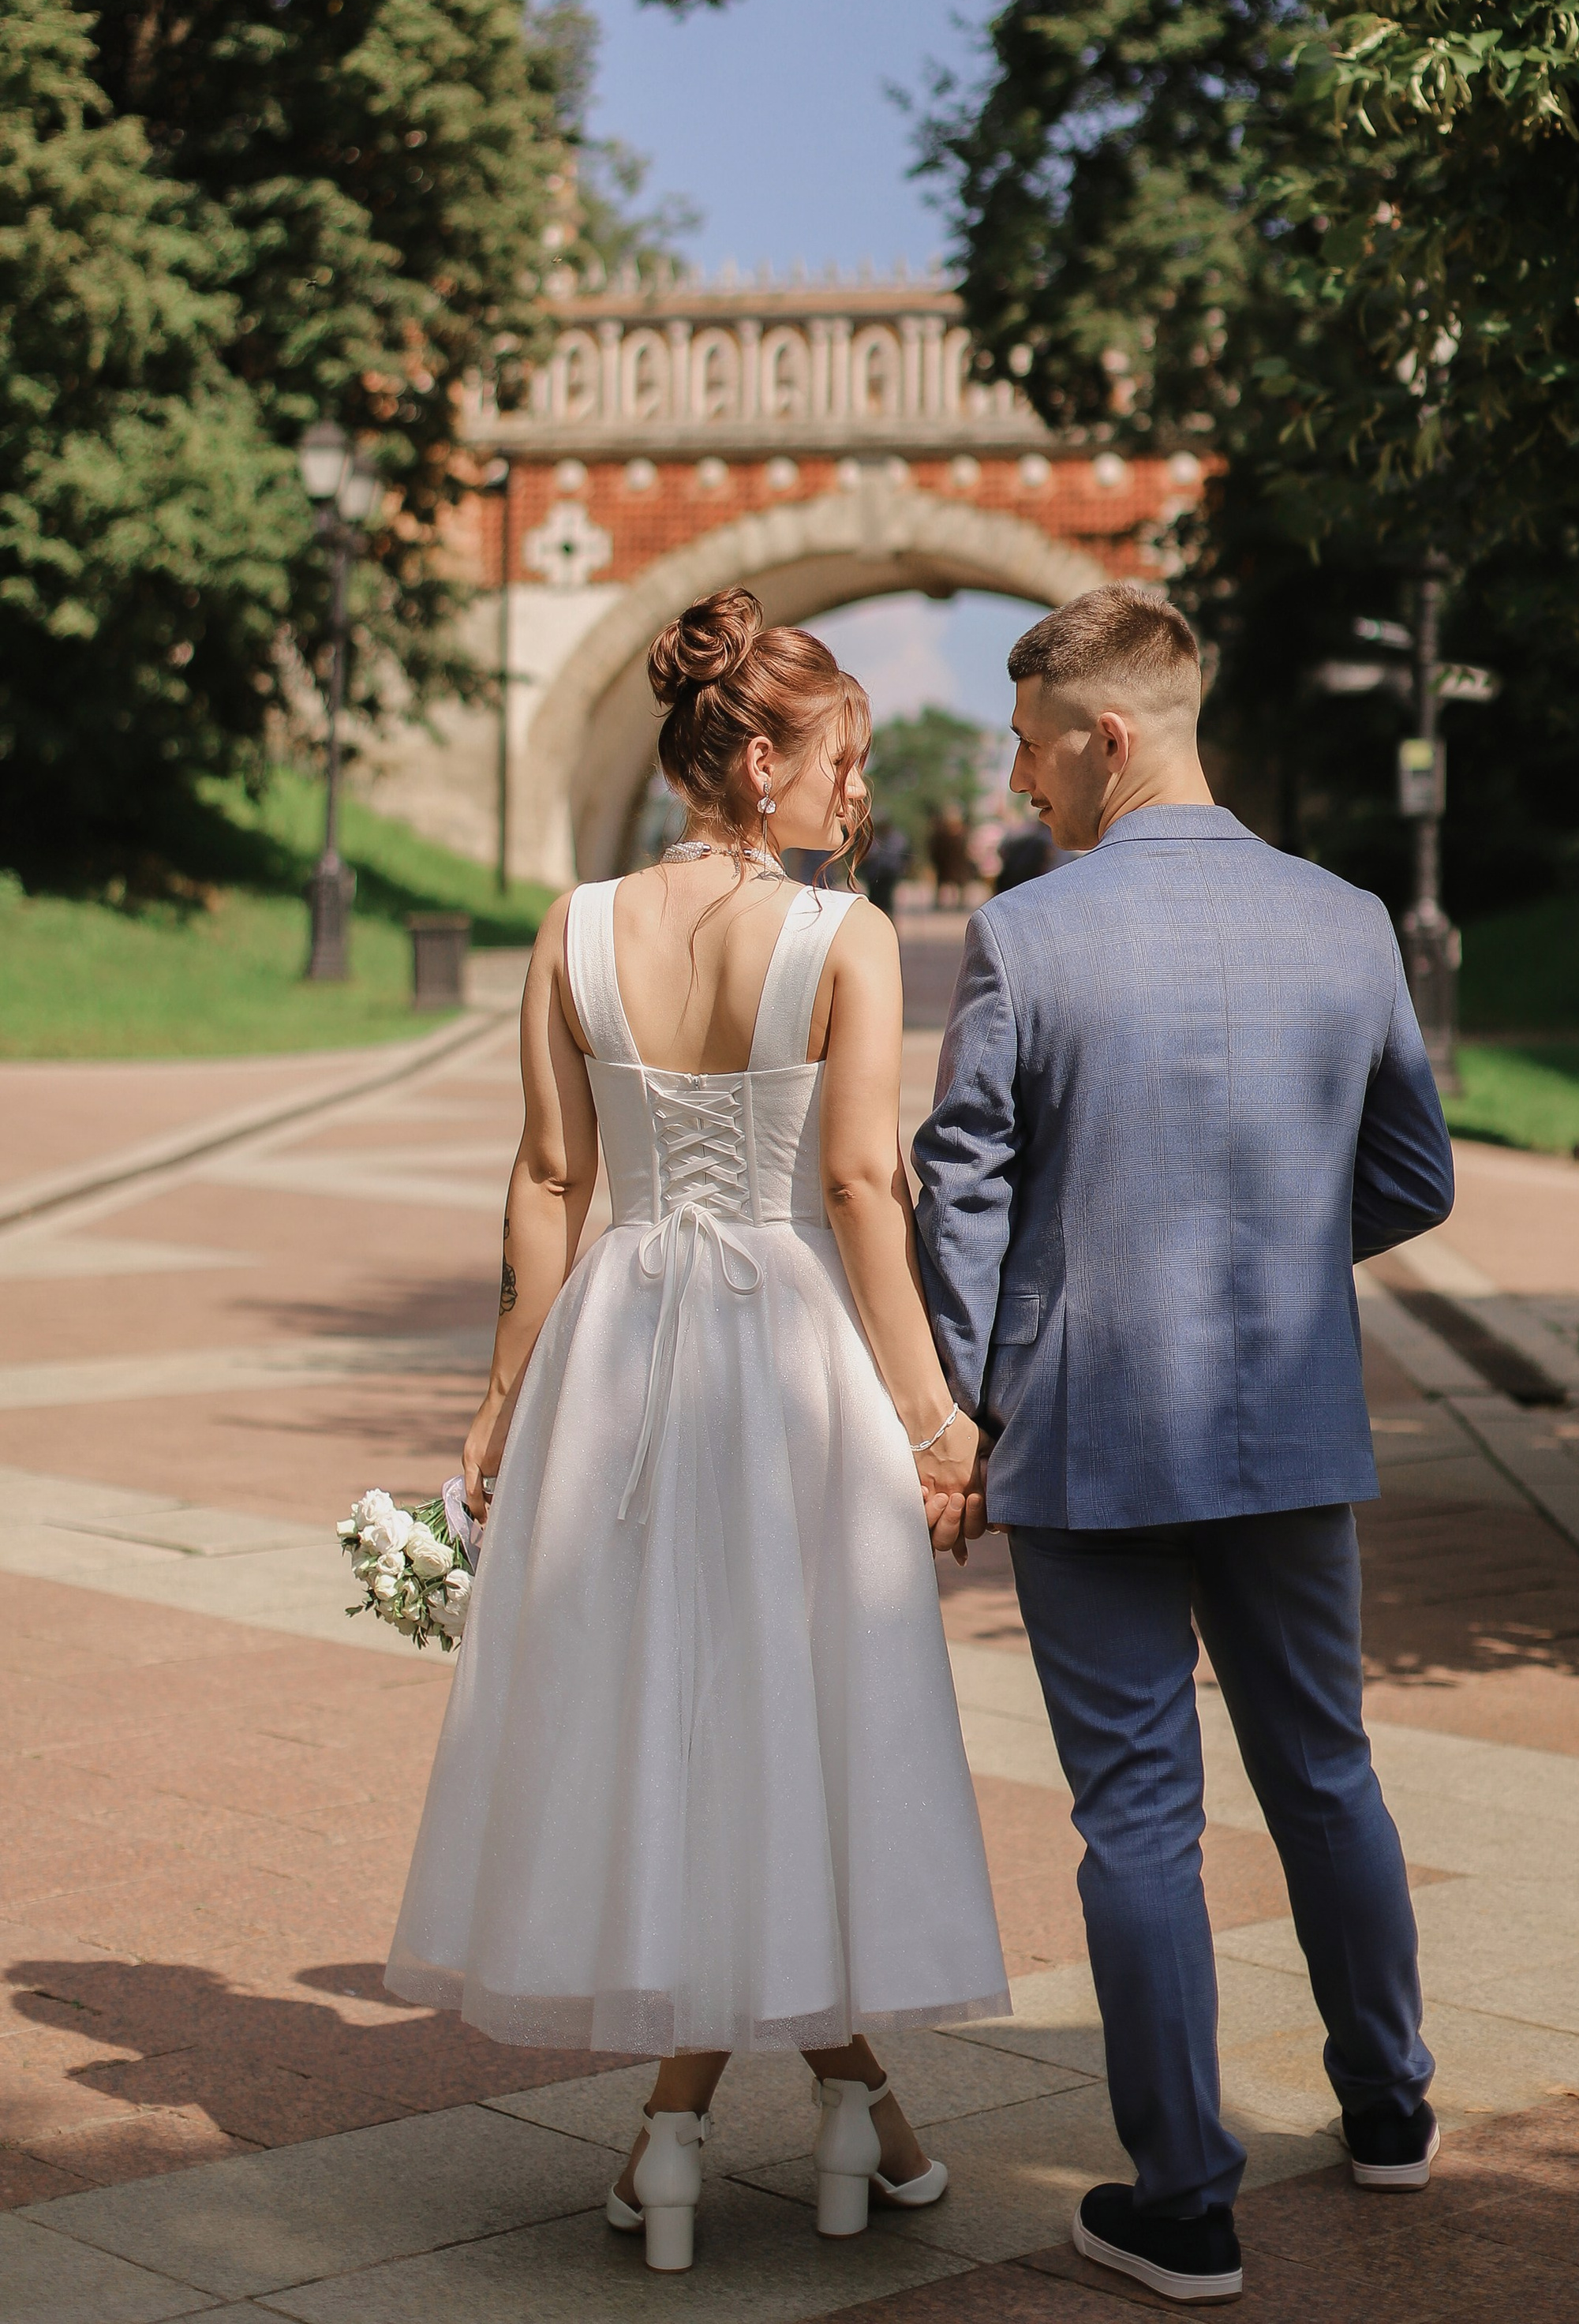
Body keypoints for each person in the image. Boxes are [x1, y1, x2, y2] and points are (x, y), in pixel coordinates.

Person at [387, 588, 1007, 2274]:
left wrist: (503, 1398)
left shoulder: (572, 926)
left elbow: (547, 1180)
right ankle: (812, 2119)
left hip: (620, 1347)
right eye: (840, 759)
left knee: (666, 1711)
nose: (858, 791)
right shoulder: (843, 937)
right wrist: (931, 1418)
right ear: (754, 757)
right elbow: (861, 1185)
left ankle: (736, 2126)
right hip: (789, 1349)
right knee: (792, 1711)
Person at [911, 582, 1455, 2306]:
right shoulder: (1348, 921)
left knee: (1138, 1815)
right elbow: (1415, 1173)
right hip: (1287, 1417)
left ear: (1107, 735)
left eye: (1029, 747)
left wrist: (963, 1402)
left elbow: (961, 1184)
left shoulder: (1029, 936)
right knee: (1326, 1771)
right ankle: (1389, 2108)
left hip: (1087, 1430)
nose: (1018, 780)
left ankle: (1185, 2203)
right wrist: (1282, 1261)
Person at [928, 802, 971, 907]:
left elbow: (967, 848)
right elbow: (935, 848)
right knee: (942, 882)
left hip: (959, 864)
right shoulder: (941, 834)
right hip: (944, 863)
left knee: (960, 883)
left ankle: (960, 902)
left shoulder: (963, 833)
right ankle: (939, 902)